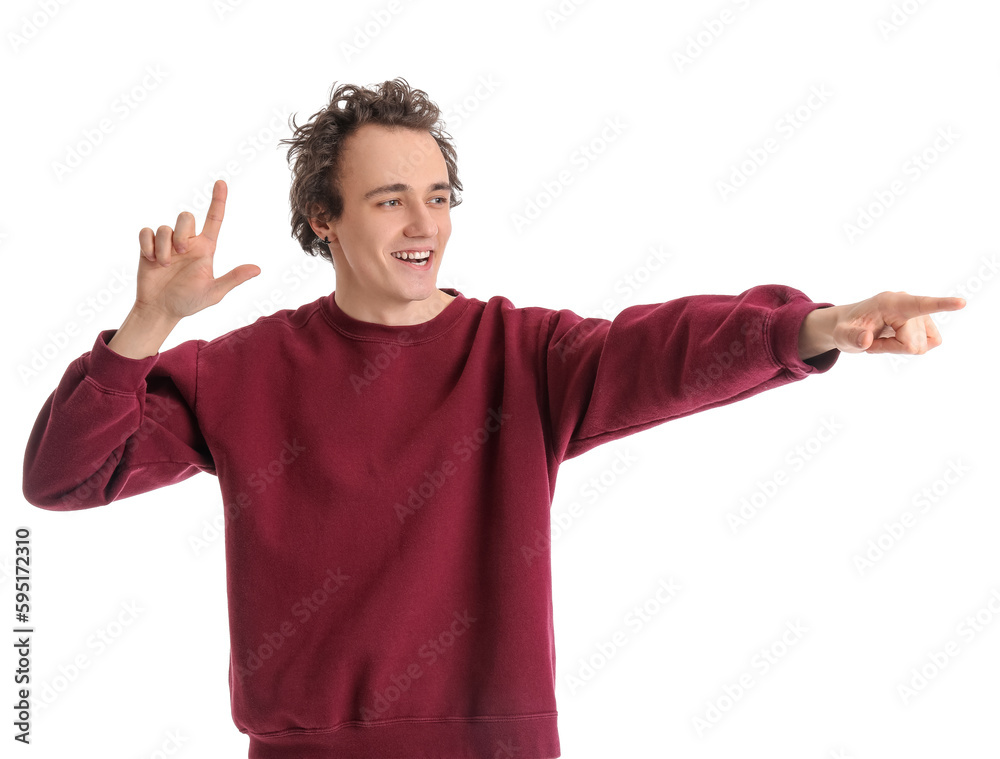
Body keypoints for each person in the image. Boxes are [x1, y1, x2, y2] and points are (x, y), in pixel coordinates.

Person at [21, 78, 965, 759]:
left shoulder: (521, 355)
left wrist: (813, 326)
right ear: (322, 219)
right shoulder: (240, 369)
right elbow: (62, 475)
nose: (422, 224)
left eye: (437, 198)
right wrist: (148, 324)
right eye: (390, 200)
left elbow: (664, 349)